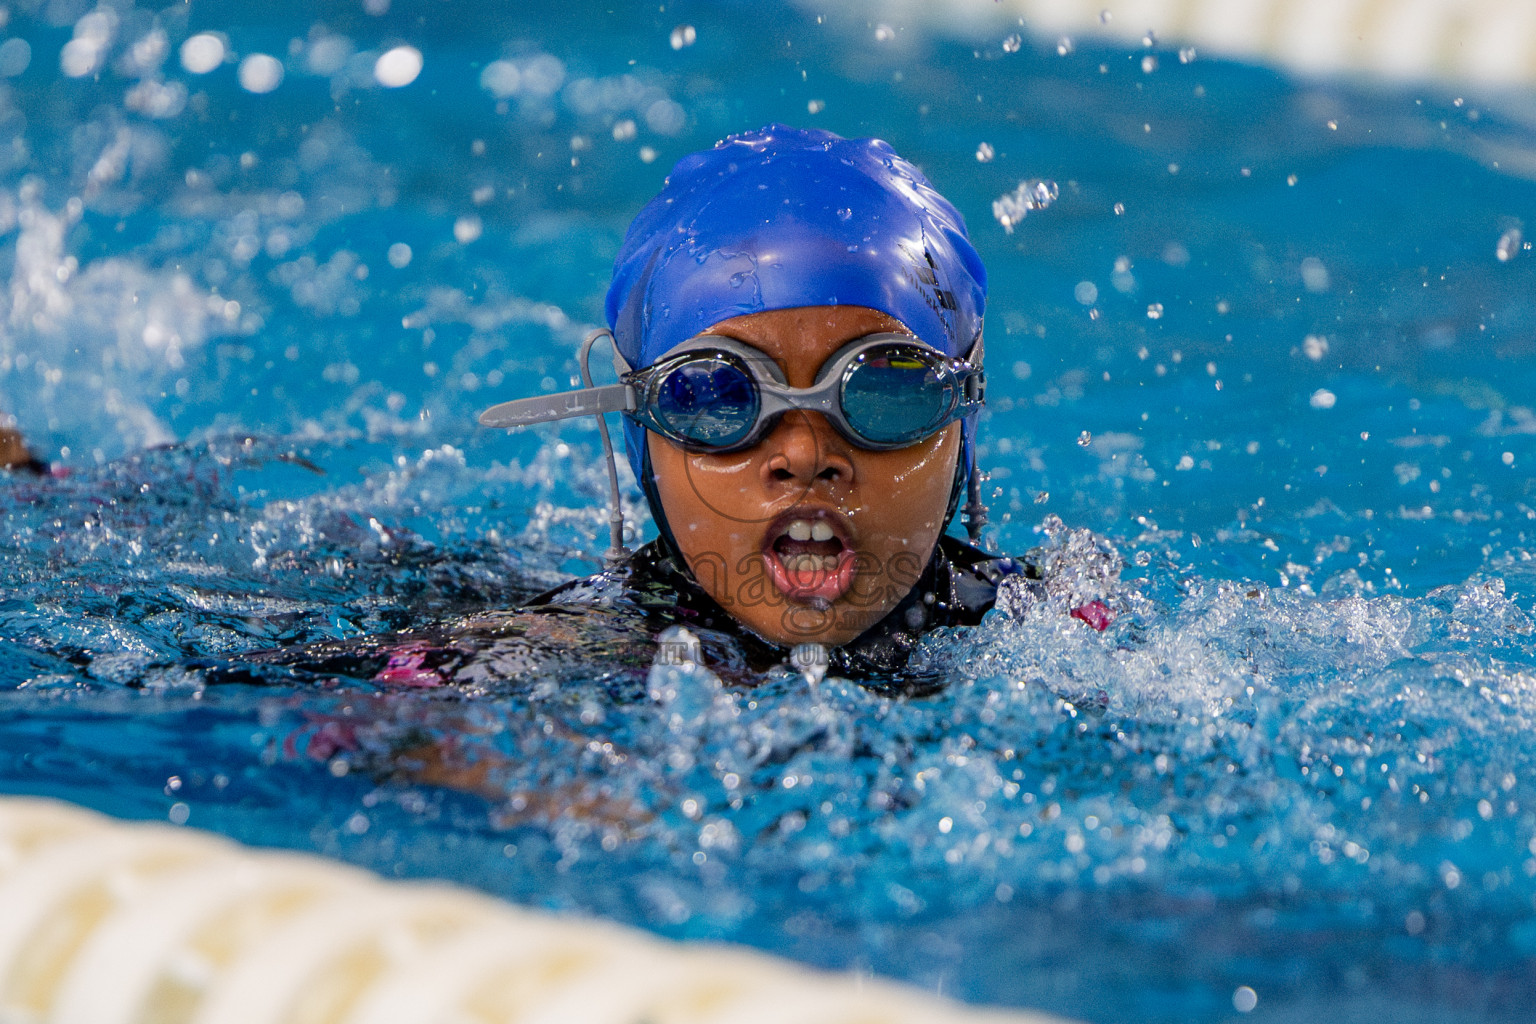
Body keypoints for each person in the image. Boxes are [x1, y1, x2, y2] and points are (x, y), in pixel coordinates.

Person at [251, 124, 1113, 697]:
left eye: (883, 388)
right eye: (719, 396)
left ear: (961, 415)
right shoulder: (542, 665)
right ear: (641, 437)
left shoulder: (1057, 635)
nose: (805, 453)